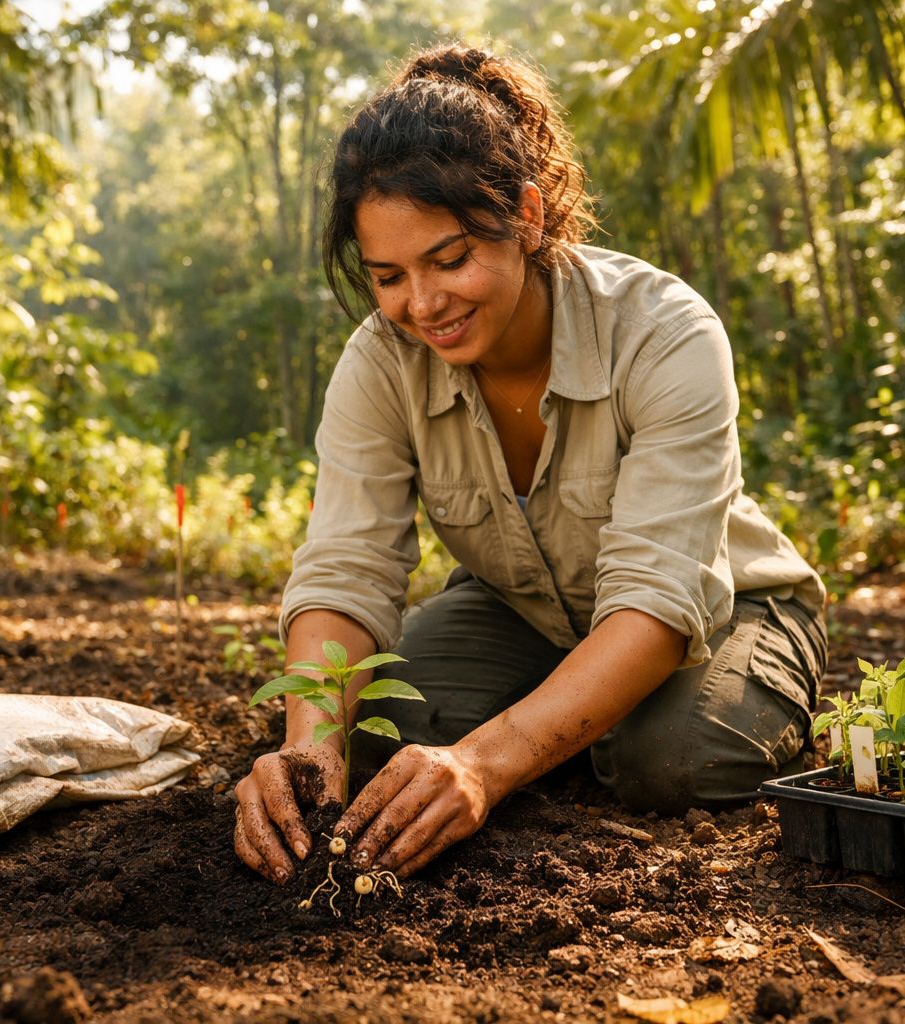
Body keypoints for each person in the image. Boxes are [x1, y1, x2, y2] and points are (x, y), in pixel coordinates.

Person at [232, 42, 826, 886]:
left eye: (449, 259)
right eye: (389, 277)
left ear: (529, 216)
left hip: (723, 607)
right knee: (374, 740)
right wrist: (307, 744)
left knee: (679, 763)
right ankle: (569, 710)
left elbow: (658, 596)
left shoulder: (665, 333)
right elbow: (346, 563)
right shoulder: (379, 362)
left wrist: (487, 762)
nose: (424, 305)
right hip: (519, 605)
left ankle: (658, 701)